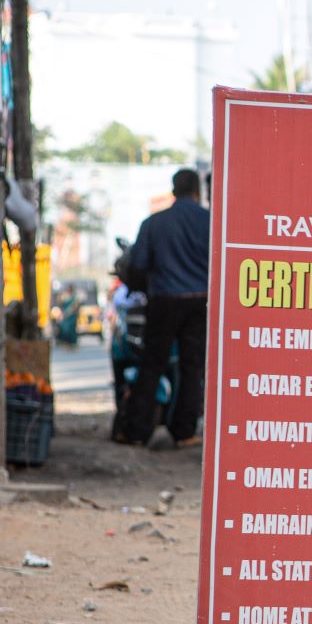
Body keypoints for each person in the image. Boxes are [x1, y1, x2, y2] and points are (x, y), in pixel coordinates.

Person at [119, 168, 209, 447]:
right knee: (192, 367)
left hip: (163, 301)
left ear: (173, 191)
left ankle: (136, 431)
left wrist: (144, 289)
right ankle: (184, 432)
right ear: (197, 192)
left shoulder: (153, 223)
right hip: (200, 302)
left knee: (152, 364)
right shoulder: (211, 222)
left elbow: (137, 265)